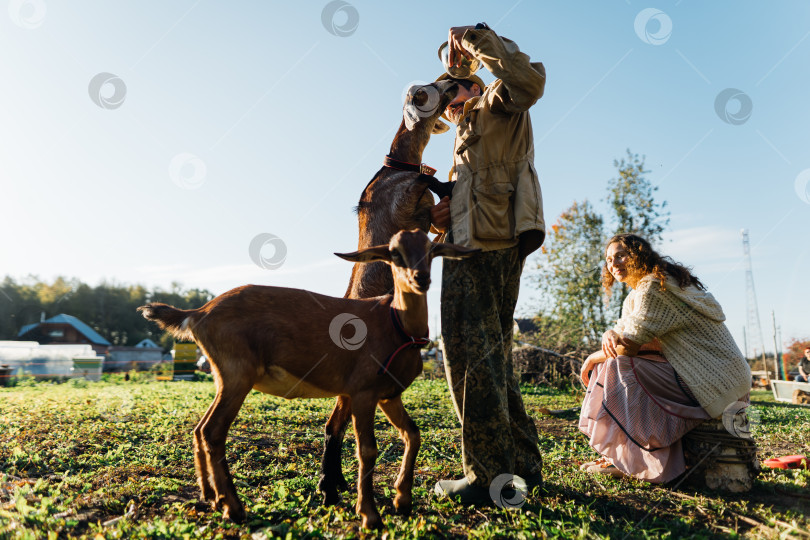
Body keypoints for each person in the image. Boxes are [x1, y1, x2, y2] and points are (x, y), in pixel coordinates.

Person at [429, 23, 547, 504]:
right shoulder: (463, 126)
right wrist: (444, 211)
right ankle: (520, 466)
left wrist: (476, 38)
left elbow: (527, 82)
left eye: (458, 85)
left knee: (467, 359)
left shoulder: (501, 103)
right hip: (473, 241)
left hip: (483, 249)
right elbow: (474, 189)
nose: (451, 95)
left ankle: (488, 478)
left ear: (481, 82)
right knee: (491, 360)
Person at [578, 234, 752, 482]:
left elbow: (627, 347)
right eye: (608, 259)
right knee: (618, 363)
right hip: (721, 377)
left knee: (616, 365)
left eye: (620, 255)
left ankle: (630, 460)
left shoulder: (653, 287)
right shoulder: (641, 292)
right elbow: (632, 336)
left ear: (639, 255)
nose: (613, 263)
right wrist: (610, 332)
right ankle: (621, 456)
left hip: (716, 381)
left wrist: (591, 358)